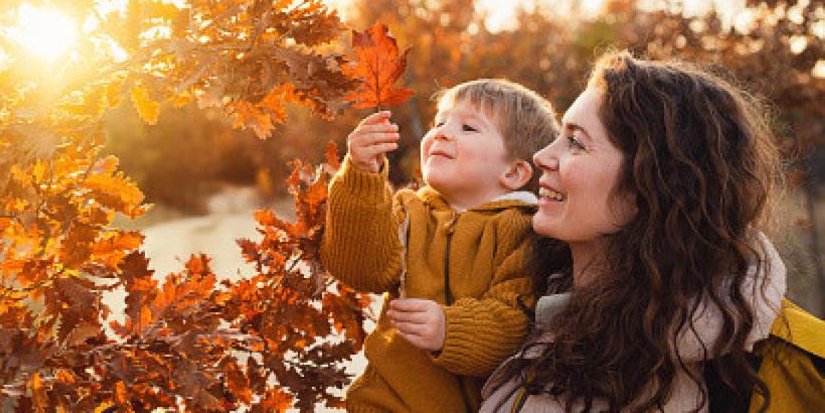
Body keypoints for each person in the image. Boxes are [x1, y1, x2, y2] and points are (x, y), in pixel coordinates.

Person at [479, 51, 788, 412]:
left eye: (576, 142)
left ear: (647, 188)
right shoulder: (535, 296)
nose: (542, 156)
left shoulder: (655, 381)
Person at [321, 79, 560, 412]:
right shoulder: (409, 211)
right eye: (439, 123)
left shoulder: (523, 230)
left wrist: (449, 329)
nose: (442, 133)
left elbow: (515, 321)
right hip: (383, 401)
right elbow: (361, 270)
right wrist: (362, 175)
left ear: (515, 172)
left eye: (467, 127)